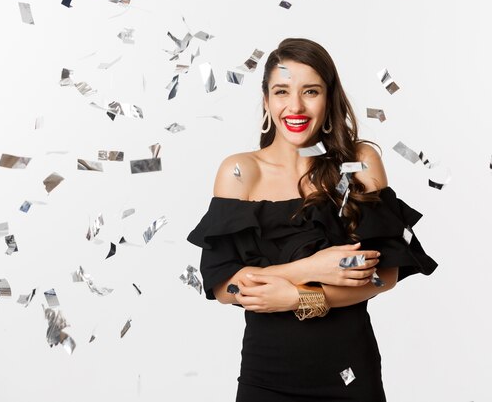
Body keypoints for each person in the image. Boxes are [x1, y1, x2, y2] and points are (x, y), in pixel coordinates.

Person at [187, 38, 437, 402]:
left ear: (329, 97)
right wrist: (312, 267)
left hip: (350, 378)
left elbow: (383, 276)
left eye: (311, 91)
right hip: (265, 380)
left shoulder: (359, 162)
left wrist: (295, 298)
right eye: (282, 91)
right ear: (267, 100)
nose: (296, 106)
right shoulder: (240, 171)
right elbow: (226, 287)